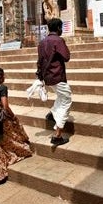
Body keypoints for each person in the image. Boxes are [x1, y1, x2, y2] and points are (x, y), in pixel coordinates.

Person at [36, 18, 72, 146]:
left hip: (47, 77)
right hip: (57, 76)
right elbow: (67, 57)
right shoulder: (58, 40)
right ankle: (57, 135)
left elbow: (39, 61)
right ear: (58, 28)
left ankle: (53, 113)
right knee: (67, 101)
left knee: (62, 97)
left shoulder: (42, 42)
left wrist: (40, 76)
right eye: (61, 28)